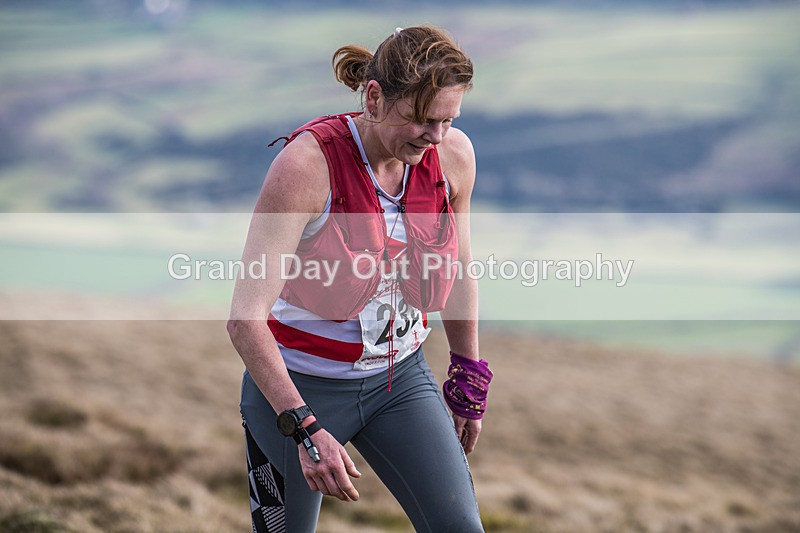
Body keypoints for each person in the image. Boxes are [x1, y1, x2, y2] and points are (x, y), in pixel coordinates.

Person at [227, 25, 493, 533]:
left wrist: (468, 375)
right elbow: (244, 319)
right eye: (422, 119)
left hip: (401, 382)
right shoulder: (305, 168)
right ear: (373, 97)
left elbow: (457, 269)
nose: (436, 136)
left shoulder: (453, 157)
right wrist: (304, 429)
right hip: (299, 387)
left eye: (448, 120)